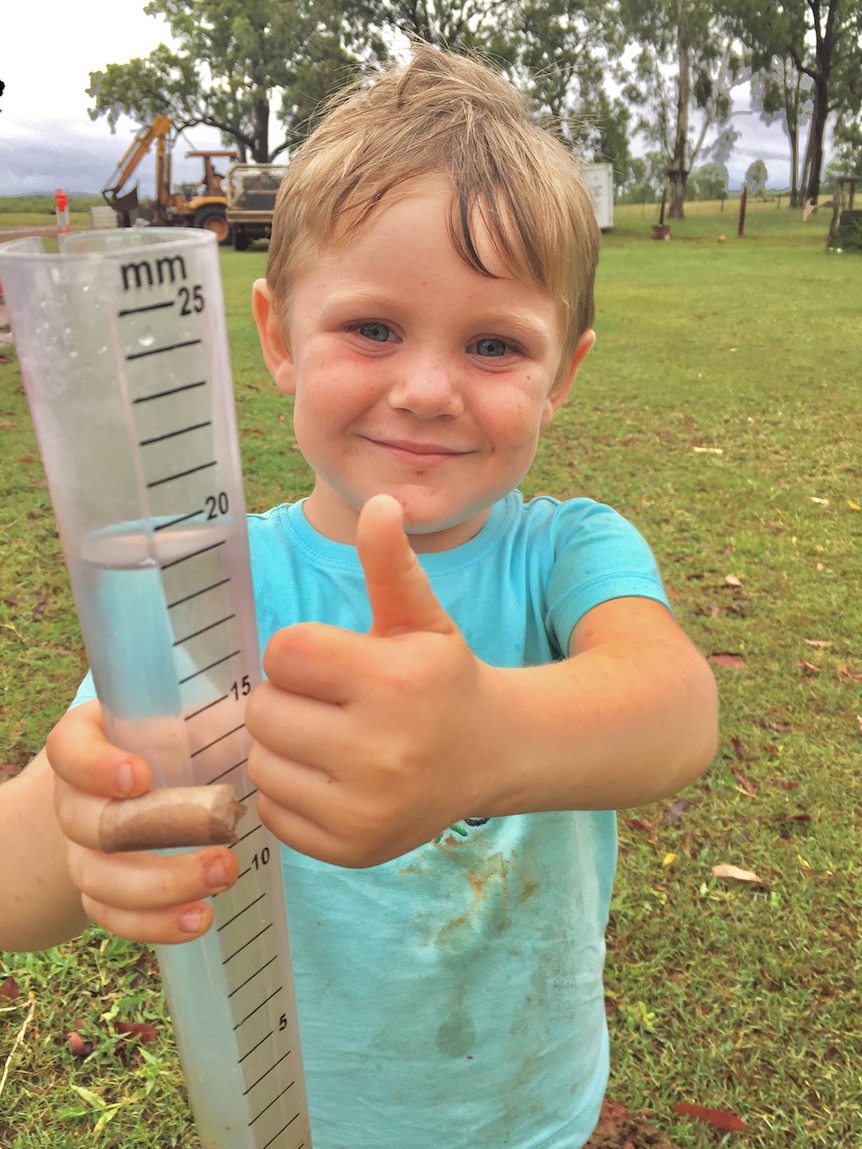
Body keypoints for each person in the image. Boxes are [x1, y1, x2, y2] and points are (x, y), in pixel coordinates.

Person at [0, 45, 718, 1149]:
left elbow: (674, 709)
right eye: (372, 327)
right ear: (279, 337)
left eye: (492, 344)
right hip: (291, 1123)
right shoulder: (206, 582)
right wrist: (79, 815)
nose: (425, 389)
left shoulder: (566, 552)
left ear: (562, 375)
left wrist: (485, 742)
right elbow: (16, 888)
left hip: (527, 1113)